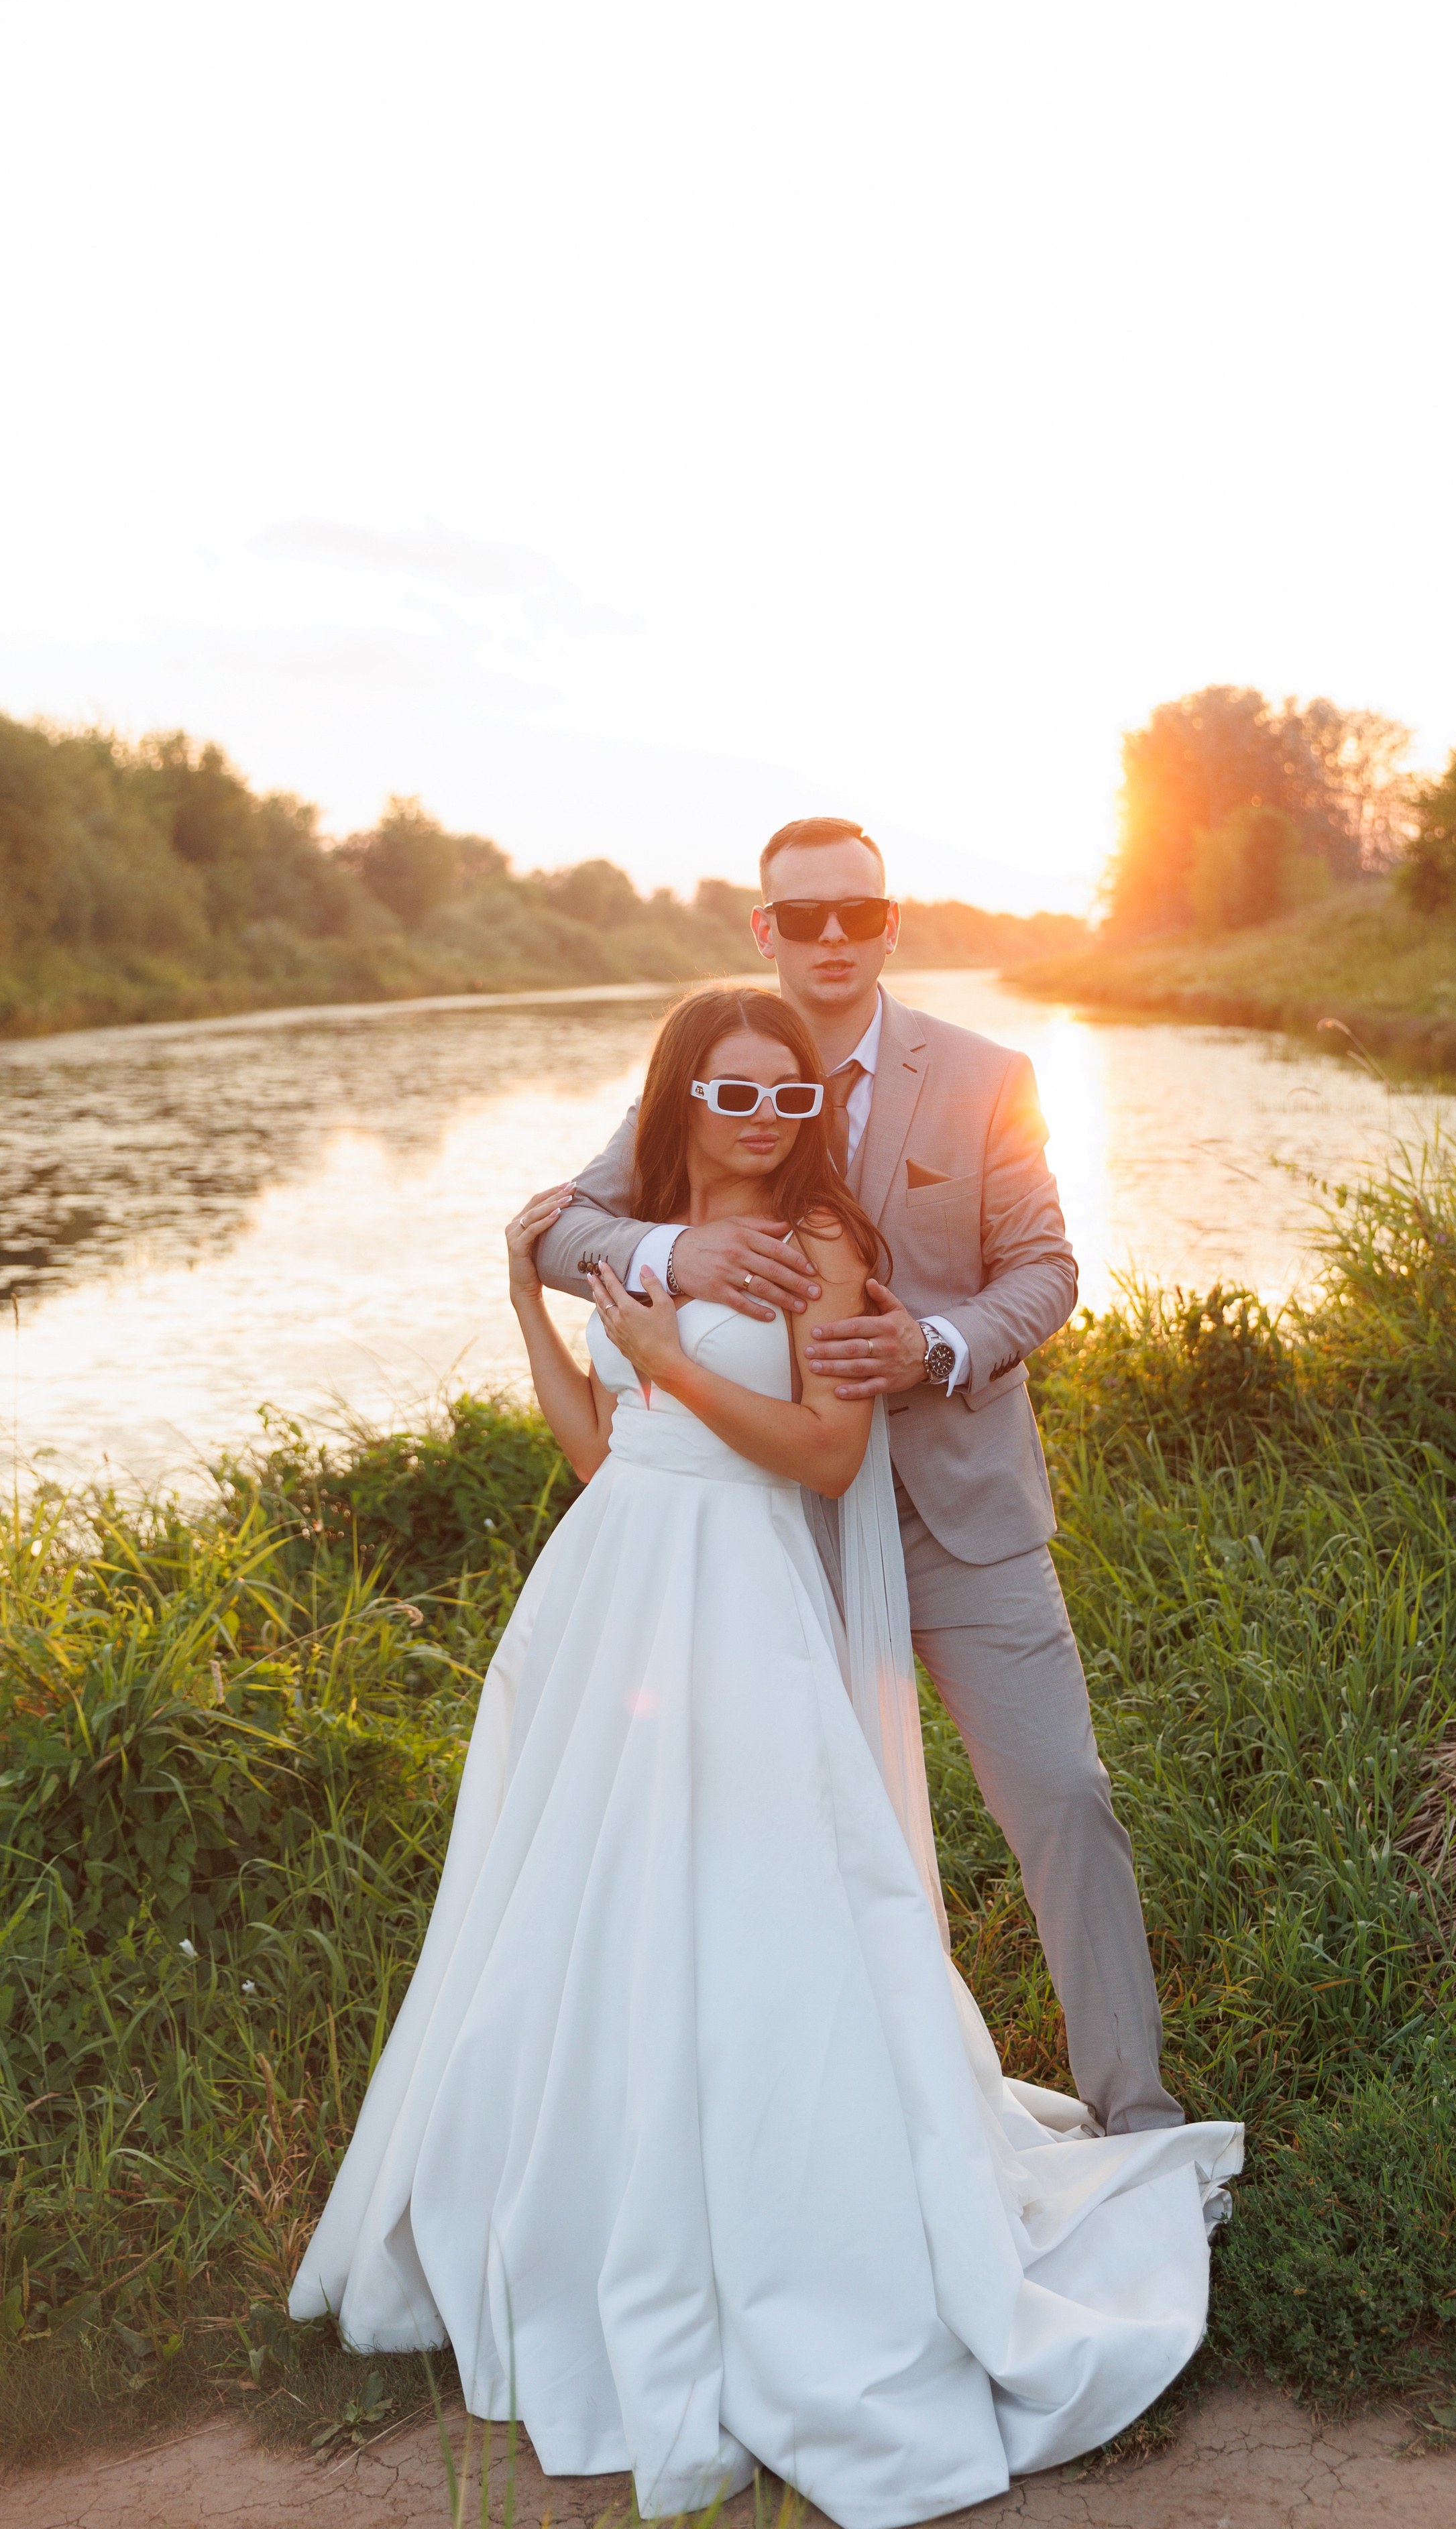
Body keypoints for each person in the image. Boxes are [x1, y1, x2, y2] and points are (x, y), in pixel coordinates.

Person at [288, 982, 1243, 2528]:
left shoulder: (819, 1246)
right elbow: (600, 1448)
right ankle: (601, 2198)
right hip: (610, 1588)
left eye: (786, 1098)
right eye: (731, 1096)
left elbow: (824, 1449)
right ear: (679, 1100)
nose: (762, 1119)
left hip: (739, 1595)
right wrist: (539, 1309)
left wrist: (669, 1361)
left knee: (771, 1889)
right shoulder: (641, 1228)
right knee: (593, 1902)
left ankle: (836, 2198)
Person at [540, 815, 1180, 2137]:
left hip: (959, 1512)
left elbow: (1046, 1271)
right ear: (762, 929)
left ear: (891, 924)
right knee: (784, 1835)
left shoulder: (987, 1074)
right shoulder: (711, 1063)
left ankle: (1133, 2106)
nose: (831, 937)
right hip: (768, 1531)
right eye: (802, 916)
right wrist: (679, 1255)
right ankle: (817, 2136)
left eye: (857, 913)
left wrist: (930, 1343)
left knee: (1061, 1795)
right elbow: (563, 1229)